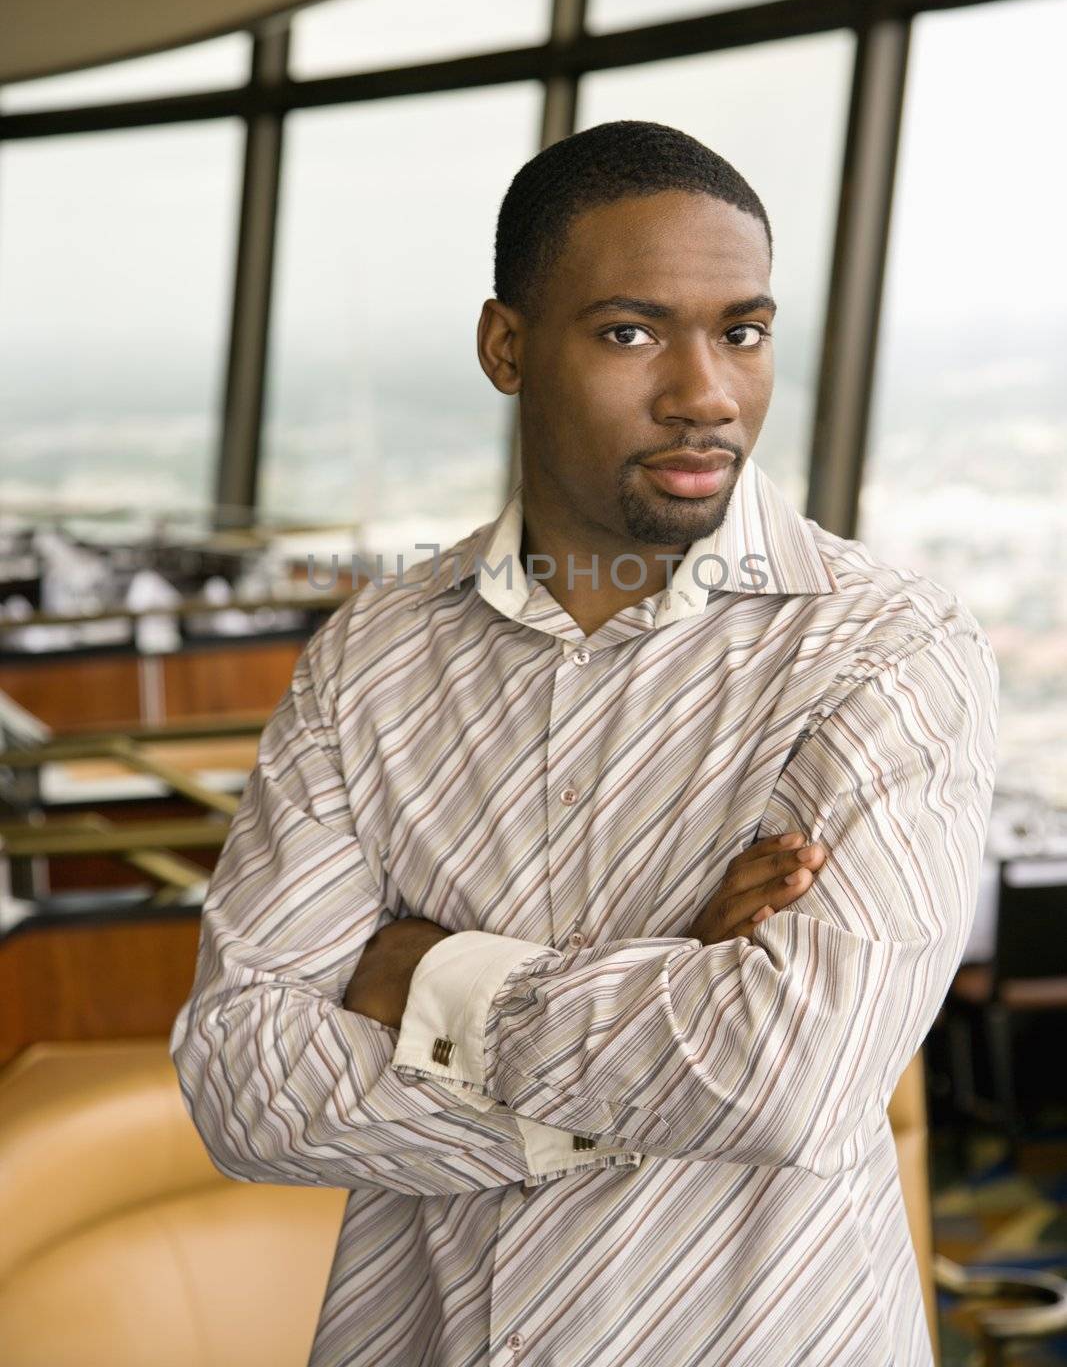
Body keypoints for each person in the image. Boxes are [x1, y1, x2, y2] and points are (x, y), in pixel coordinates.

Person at [171, 120, 998, 1367]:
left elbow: (789, 1072)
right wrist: (672, 983)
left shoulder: (879, 649)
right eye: (629, 331)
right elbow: (243, 1079)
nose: (705, 393)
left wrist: (430, 985)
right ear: (507, 346)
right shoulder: (372, 657)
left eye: (742, 330)